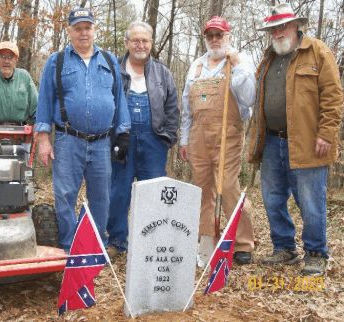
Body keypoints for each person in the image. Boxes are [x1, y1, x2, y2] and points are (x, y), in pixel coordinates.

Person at [249, 3, 343, 276]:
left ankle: (315, 253)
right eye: (273, 28)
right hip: (271, 141)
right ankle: (284, 248)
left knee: (311, 200)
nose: (278, 32)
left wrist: (326, 133)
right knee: (273, 198)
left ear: (295, 26)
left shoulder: (317, 52)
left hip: (307, 142)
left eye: (283, 26)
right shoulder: (268, 58)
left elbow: (334, 97)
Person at [35, 8, 130, 252]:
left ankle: (94, 246)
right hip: (68, 140)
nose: (83, 32)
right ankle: (68, 247)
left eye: (87, 27)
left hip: (101, 143)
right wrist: (43, 138)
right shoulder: (56, 62)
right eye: (78, 28)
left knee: (101, 197)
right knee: (65, 195)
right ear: (69, 31)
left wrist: (123, 134)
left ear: (94, 29)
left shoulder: (109, 60)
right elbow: (44, 101)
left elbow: (119, 99)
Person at [179, 16, 255, 266]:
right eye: (210, 35)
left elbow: (248, 99)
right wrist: (184, 139)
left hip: (227, 133)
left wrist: (236, 65)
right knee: (202, 188)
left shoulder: (239, 62)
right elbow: (186, 106)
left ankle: (243, 244)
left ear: (228, 36)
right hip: (198, 134)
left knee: (228, 185)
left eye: (219, 35)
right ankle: (206, 239)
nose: (214, 39)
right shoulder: (196, 66)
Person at [106, 21, 179, 258]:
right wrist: (111, 136)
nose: (140, 45)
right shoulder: (113, 69)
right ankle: (117, 241)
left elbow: (172, 108)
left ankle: (151, 242)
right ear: (127, 43)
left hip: (154, 141)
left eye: (145, 40)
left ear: (151, 43)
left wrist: (167, 138)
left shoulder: (162, 72)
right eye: (135, 40)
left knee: (154, 194)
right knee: (119, 192)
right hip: (122, 140)